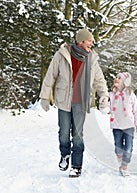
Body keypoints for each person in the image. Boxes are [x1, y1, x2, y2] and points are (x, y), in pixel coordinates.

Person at [39, 28, 109, 178]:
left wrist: (104, 95)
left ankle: (76, 166)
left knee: (78, 135)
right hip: (64, 100)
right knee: (64, 133)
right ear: (81, 41)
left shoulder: (92, 58)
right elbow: (50, 75)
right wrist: (45, 96)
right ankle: (65, 155)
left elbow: (99, 80)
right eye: (89, 41)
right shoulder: (62, 55)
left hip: (81, 102)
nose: (92, 43)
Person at [107, 72, 137, 177]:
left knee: (128, 147)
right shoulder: (111, 95)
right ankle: (119, 157)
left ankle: (124, 166)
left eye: (119, 78)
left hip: (129, 126)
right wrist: (103, 104)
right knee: (118, 145)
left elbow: (136, 111)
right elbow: (107, 109)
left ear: (125, 82)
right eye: (116, 77)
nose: (116, 79)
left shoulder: (131, 95)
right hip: (117, 125)